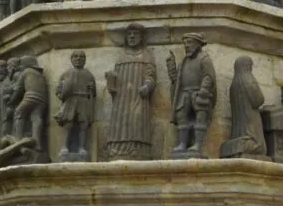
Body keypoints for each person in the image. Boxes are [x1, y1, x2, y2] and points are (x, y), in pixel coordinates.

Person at [105, 23, 157, 160]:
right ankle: (117, 149)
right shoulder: (121, 57)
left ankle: (138, 149)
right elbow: (115, 79)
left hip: (138, 96)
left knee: (137, 119)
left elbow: (151, 75)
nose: (132, 37)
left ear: (142, 37)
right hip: (121, 98)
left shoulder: (147, 56)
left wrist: (147, 86)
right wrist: (111, 80)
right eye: (129, 34)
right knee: (119, 121)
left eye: (136, 34)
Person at [167, 33, 217, 157]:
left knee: (200, 118)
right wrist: (172, 72)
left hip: (199, 93)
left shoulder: (204, 58)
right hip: (185, 94)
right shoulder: (184, 61)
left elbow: (208, 76)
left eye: (189, 43)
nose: (186, 46)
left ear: (198, 44)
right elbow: (178, 78)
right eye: (185, 43)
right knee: (181, 117)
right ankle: (183, 143)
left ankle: (198, 145)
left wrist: (204, 89)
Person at [221, 56, 266, 158]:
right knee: (260, 146)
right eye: (250, 65)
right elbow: (258, 100)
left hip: (239, 122)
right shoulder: (249, 79)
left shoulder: (234, 83)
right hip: (251, 117)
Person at [55, 50, 97, 160]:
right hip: (70, 100)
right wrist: (62, 92)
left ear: (85, 60)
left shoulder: (88, 75)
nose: (78, 59)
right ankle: (65, 146)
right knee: (68, 124)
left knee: (83, 124)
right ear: (71, 59)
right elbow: (59, 90)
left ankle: (82, 147)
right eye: (76, 57)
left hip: (83, 100)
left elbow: (93, 92)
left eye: (81, 57)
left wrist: (92, 89)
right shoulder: (66, 74)